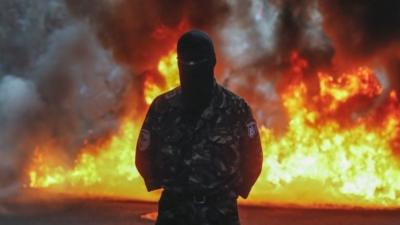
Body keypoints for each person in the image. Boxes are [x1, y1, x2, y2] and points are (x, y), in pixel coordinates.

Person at [135, 30, 263, 225]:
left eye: (198, 62)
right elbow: (144, 155)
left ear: (212, 62)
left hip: (220, 214)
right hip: (175, 214)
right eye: (186, 63)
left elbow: (253, 157)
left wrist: (234, 191)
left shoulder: (235, 108)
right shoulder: (163, 108)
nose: (191, 68)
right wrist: (164, 185)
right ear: (178, 64)